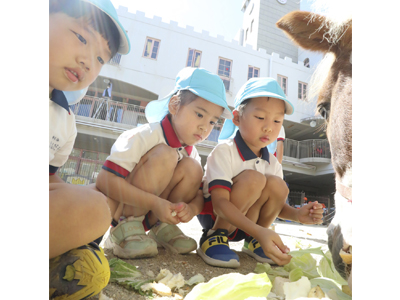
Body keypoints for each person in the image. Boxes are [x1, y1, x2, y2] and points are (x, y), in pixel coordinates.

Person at [95, 67, 233, 259]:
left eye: (212, 122)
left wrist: (191, 209)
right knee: (166, 155)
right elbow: (105, 180)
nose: (205, 126)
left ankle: (163, 227)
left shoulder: (191, 152)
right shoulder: (146, 135)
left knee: (192, 168)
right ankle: (122, 230)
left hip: (157, 213)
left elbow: (199, 196)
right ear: (175, 105)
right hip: (122, 211)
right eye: (200, 115)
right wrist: (155, 202)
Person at [196, 77, 324, 268]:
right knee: (254, 179)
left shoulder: (272, 162)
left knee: (277, 185)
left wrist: (298, 215)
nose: (268, 127)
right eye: (260, 117)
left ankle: (253, 241)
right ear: (237, 118)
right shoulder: (225, 151)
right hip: (218, 218)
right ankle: (214, 237)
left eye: (277, 120)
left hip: (252, 227)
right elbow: (220, 204)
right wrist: (258, 230)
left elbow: (277, 206)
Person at [49, 0, 130, 298]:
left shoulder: (64, 120)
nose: (88, 62)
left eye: (100, 58)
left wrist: (78, 203)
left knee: (97, 209)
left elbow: (48, 178)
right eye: (81, 37)